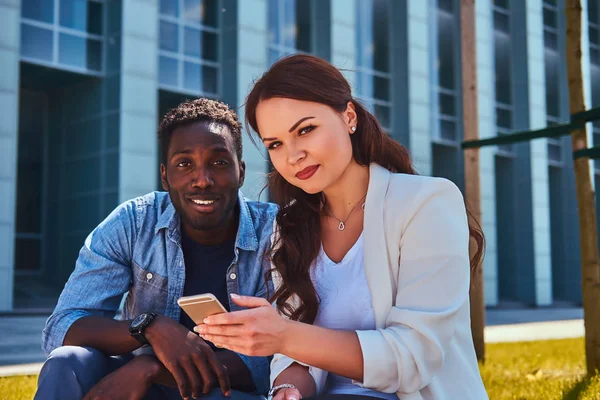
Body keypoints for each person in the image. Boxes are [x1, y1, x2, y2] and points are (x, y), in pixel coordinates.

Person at [194, 54, 489, 400]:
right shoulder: (288, 226)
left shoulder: (427, 202)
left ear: (349, 117)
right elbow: (295, 357)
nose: (293, 155)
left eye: (305, 130)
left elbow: (413, 357)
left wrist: (284, 335)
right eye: (275, 144)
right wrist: (288, 388)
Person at [35, 99, 278, 400]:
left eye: (218, 162)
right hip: (140, 383)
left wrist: (151, 368)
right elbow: (62, 326)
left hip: (223, 389)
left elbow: (270, 358)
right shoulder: (134, 222)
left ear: (240, 172)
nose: (202, 180)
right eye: (184, 164)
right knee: (66, 363)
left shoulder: (275, 233)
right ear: (165, 176)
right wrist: (149, 327)